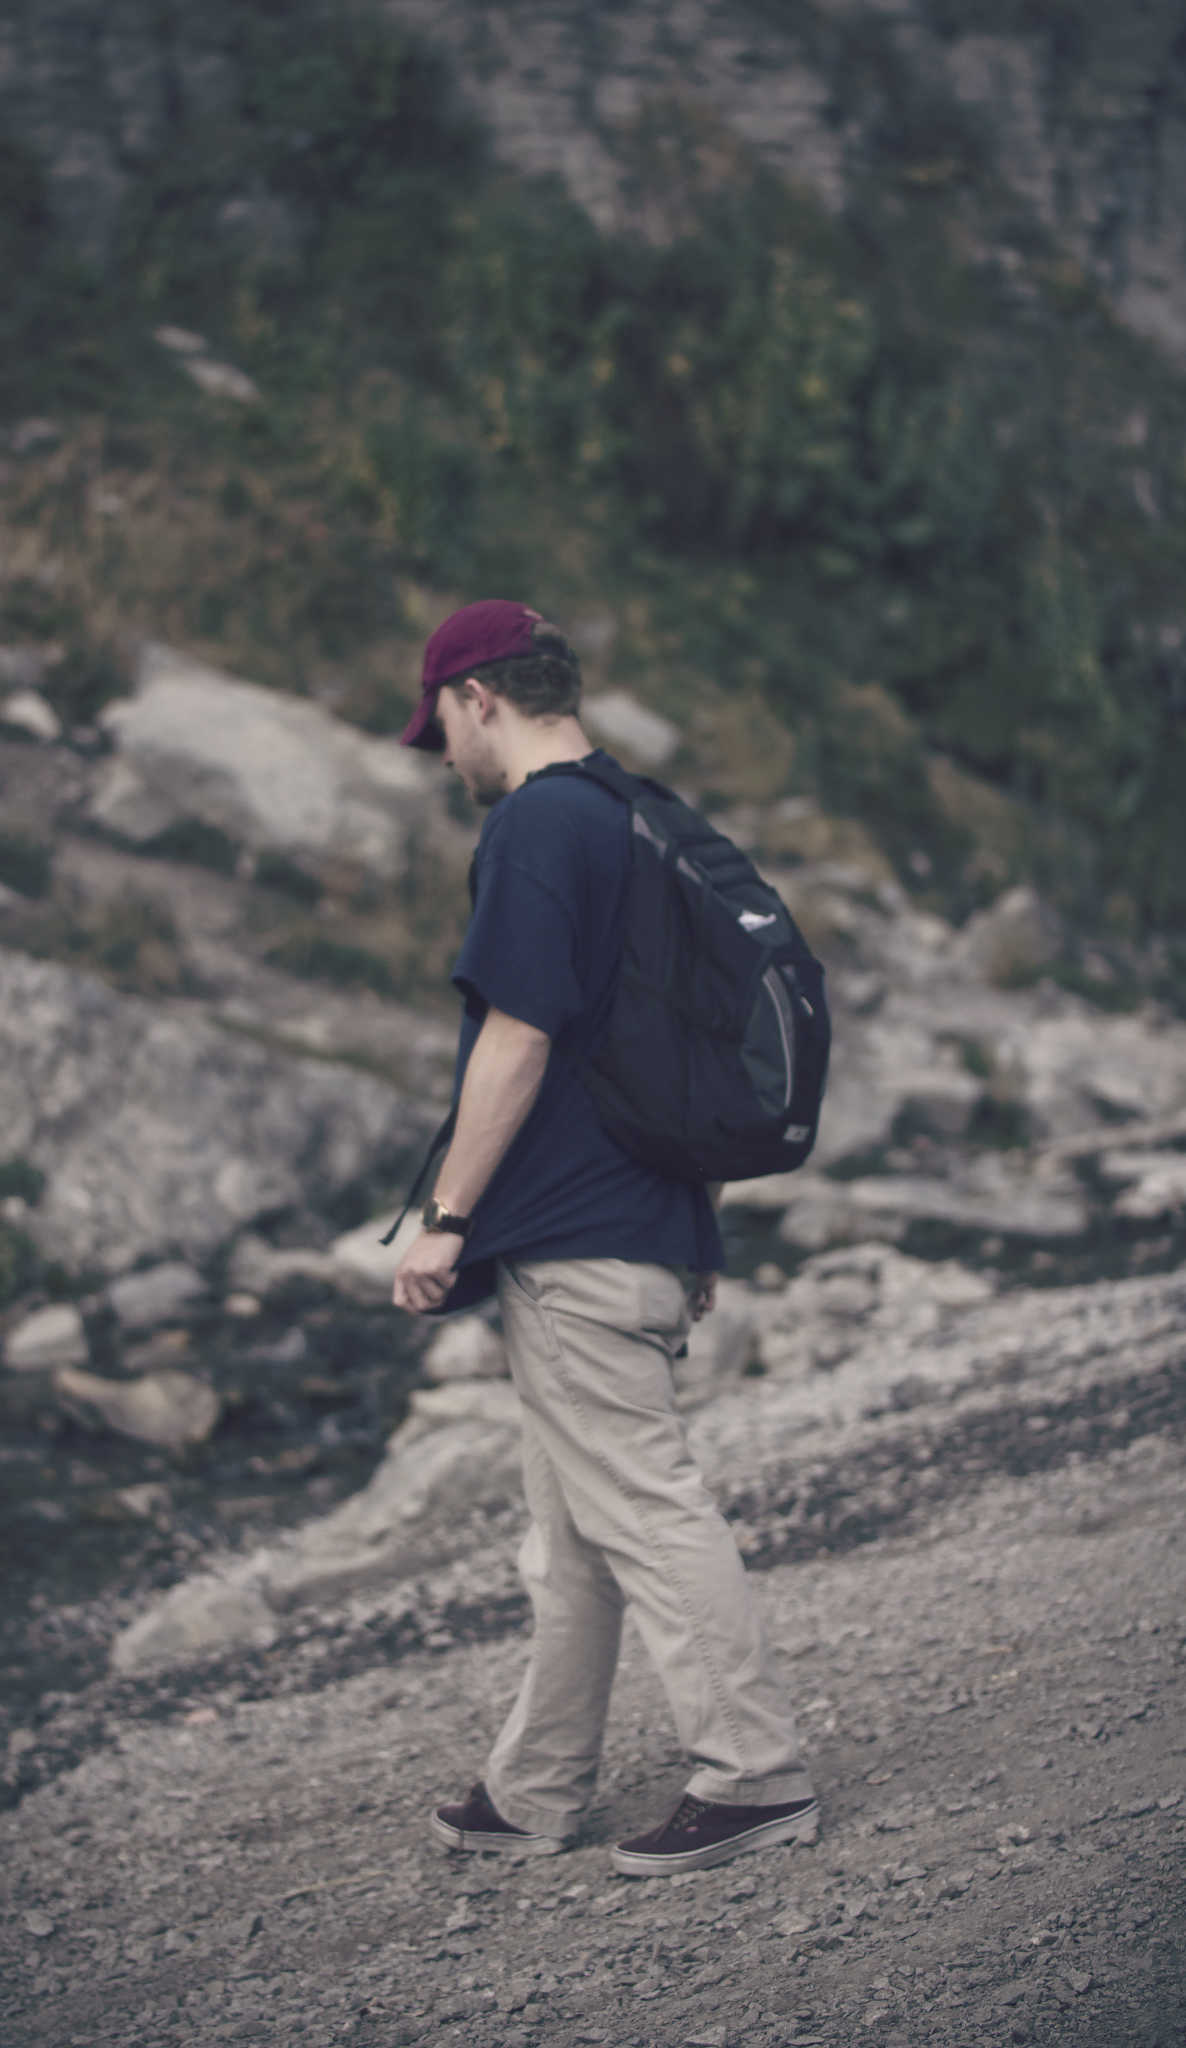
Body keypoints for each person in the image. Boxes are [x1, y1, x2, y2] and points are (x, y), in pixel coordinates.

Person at [392, 599, 818, 1877]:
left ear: (480, 698)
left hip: (576, 1234)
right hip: (639, 1222)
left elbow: (520, 1036)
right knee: (570, 1533)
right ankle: (535, 1787)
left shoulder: (537, 822)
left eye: (442, 731)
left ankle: (755, 1775)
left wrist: (447, 1216)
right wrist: (695, 1236)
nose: (445, 762)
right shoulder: (640, 815)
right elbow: (677, 1045)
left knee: (641, 1503)